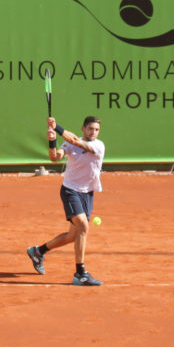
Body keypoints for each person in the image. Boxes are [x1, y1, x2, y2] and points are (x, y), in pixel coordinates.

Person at [26, 115, 105, 286]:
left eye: (96, 129)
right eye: (90, 128)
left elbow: (77, 142)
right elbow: (55, 157)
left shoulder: (98, 145)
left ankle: (38, 251)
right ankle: (80, 273)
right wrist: (52, 141)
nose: (93, 132)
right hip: (70, 191)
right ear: (83, 128)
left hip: (88, 194)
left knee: (72, 235)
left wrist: (57, 127)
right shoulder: (68, 143)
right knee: (84, 226)